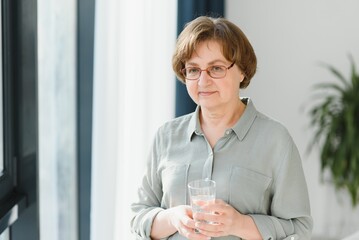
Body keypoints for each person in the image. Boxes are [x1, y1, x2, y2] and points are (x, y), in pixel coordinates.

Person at [131, 16, 313, 240]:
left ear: (242, 71)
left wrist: (240, 224)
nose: (203, 81)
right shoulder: (166, 137)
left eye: (216, 68)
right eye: (193, 70)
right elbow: (139, 216)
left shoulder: (275, 140)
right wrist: (172, 218)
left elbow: (300, 229)